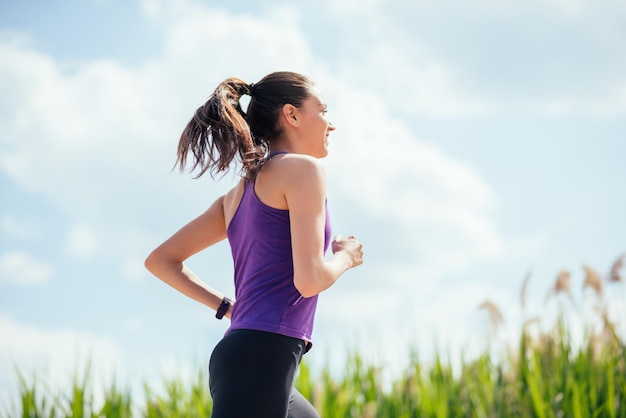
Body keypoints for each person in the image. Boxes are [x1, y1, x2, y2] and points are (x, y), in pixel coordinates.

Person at [144, 71, 364, 417]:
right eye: (322, 111)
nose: (330, 124)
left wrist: (227, 308)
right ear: (291, 115)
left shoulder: (235, 196)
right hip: (263, 355)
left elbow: (161, 261)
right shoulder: (304, 170)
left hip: (244, 354)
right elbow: (309, 280)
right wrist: (345, 258)